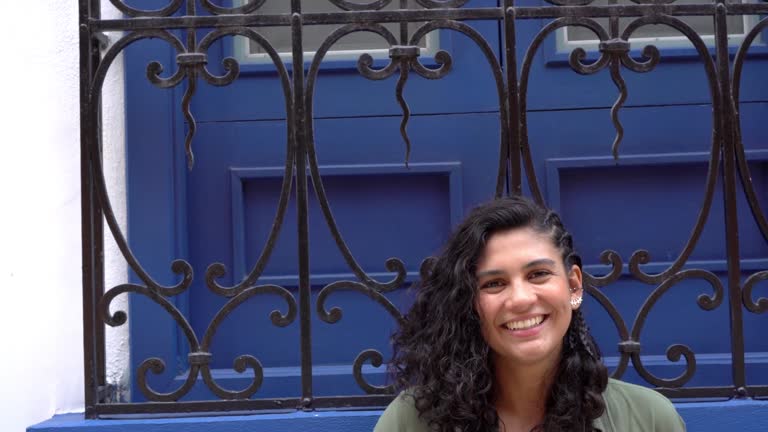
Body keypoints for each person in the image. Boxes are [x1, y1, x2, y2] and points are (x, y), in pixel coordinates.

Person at [374, 196, 686, 432]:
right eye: (494, 283)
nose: (521, 299)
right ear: (469, 302)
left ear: (574, 286)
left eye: (538, 274)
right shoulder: (409, 421)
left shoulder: (649, 419)